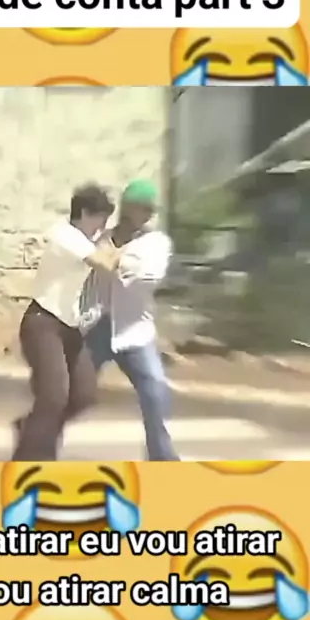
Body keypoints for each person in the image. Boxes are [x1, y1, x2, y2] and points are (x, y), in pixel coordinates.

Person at [12, 183, 119, 461]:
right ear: (84, 213)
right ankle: (30, 460)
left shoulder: (83, 241)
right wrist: (118, 249)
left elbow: (105, 258)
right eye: (100, 219)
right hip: (42, 324)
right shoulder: (65, 234)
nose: (101, 227)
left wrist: (110, 248)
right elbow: (106, 265)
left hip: (69, 328)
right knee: (53, 397)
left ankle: (32, 429)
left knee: (84, 395)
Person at [82, 179, 180, 461]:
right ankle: (38, 442)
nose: (142, 214)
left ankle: (162, 458)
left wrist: (113, 259)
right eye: (137, 207)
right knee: (73, 394)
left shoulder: (156, 243)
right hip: (95, 327)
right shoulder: (99, 238)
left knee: (155, 390)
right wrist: (109, 255)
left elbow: (148, 276)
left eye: (146, 209)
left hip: (135, 331)